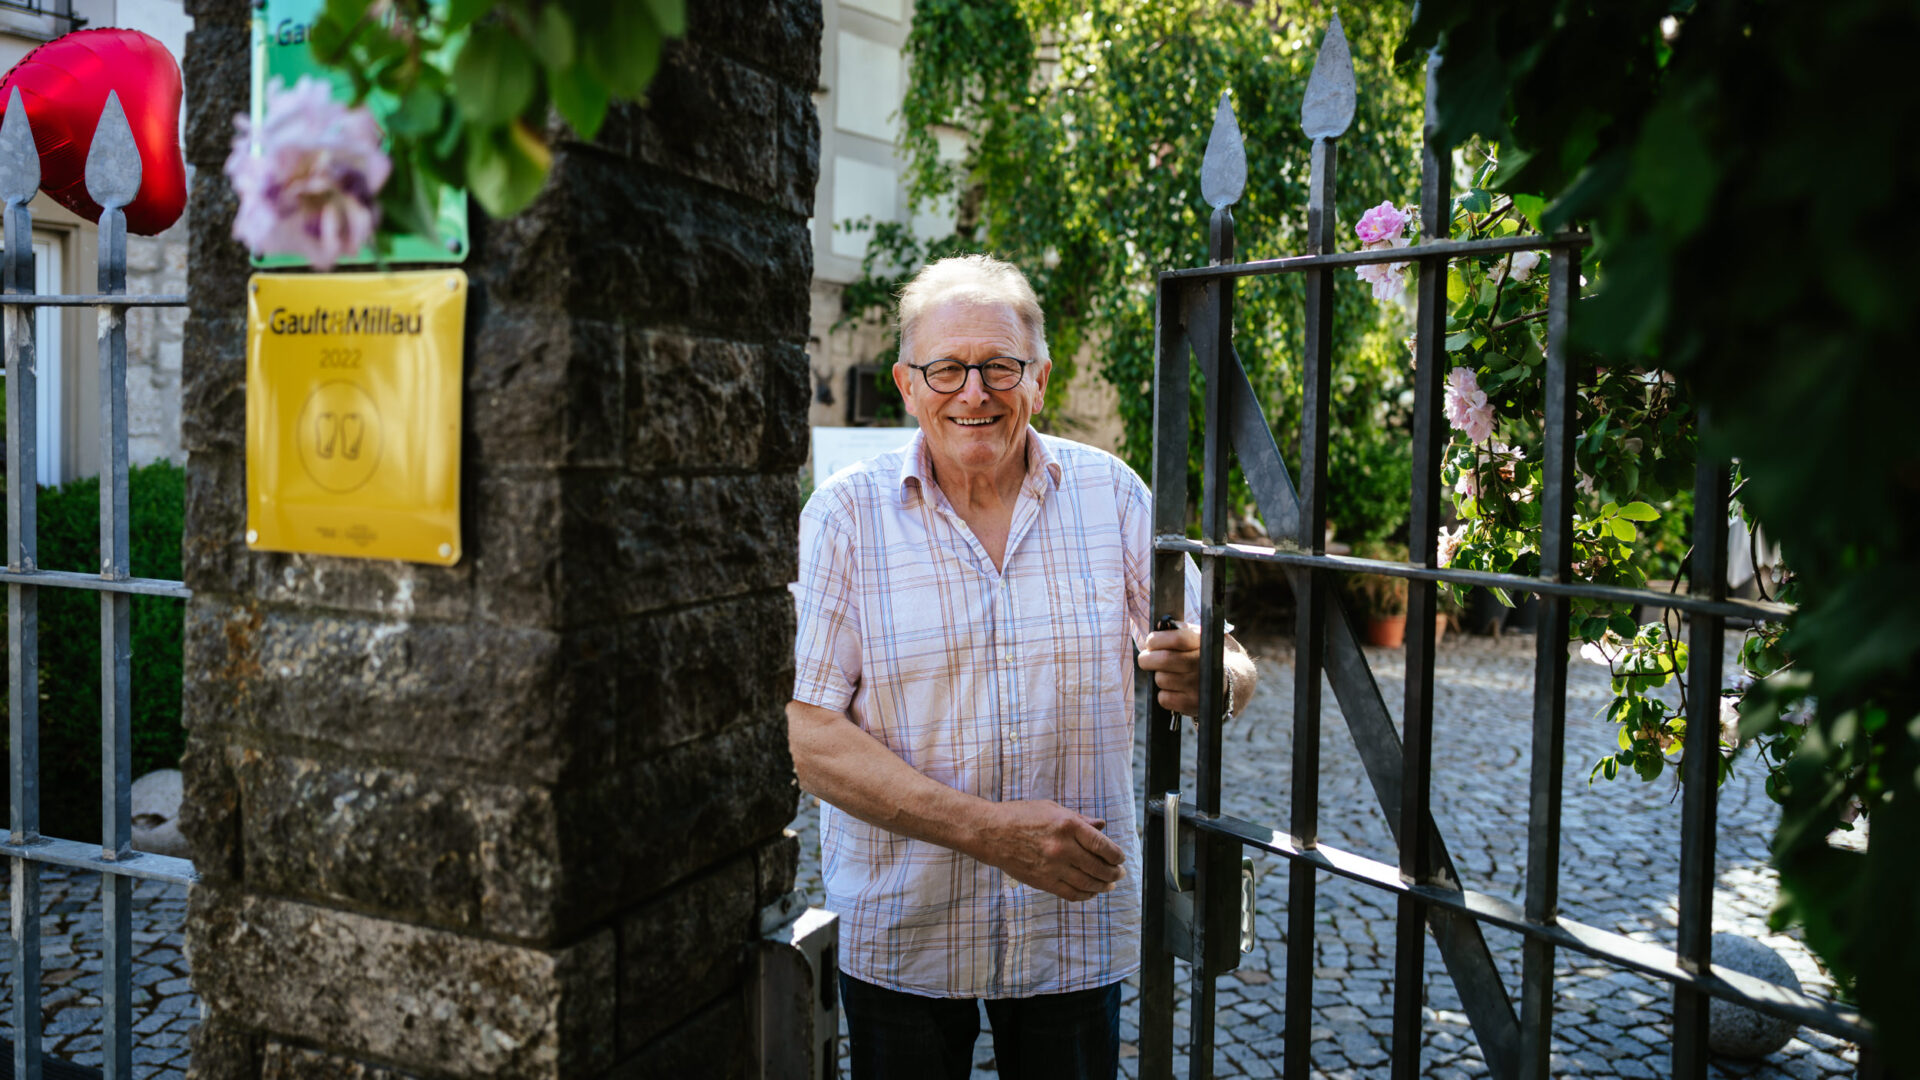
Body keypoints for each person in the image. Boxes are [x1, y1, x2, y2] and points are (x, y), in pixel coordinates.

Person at [788, 254, 1257, 1080]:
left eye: (999, 367)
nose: (974, 391)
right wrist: (988, 834)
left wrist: (1214, 675)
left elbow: (1225, 656)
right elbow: (809, 732)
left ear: (1038, 378)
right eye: (946, 368)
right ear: (907, 383)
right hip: (905, 927)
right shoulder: (845, 515)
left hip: (1069, 929)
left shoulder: (1113, 497)